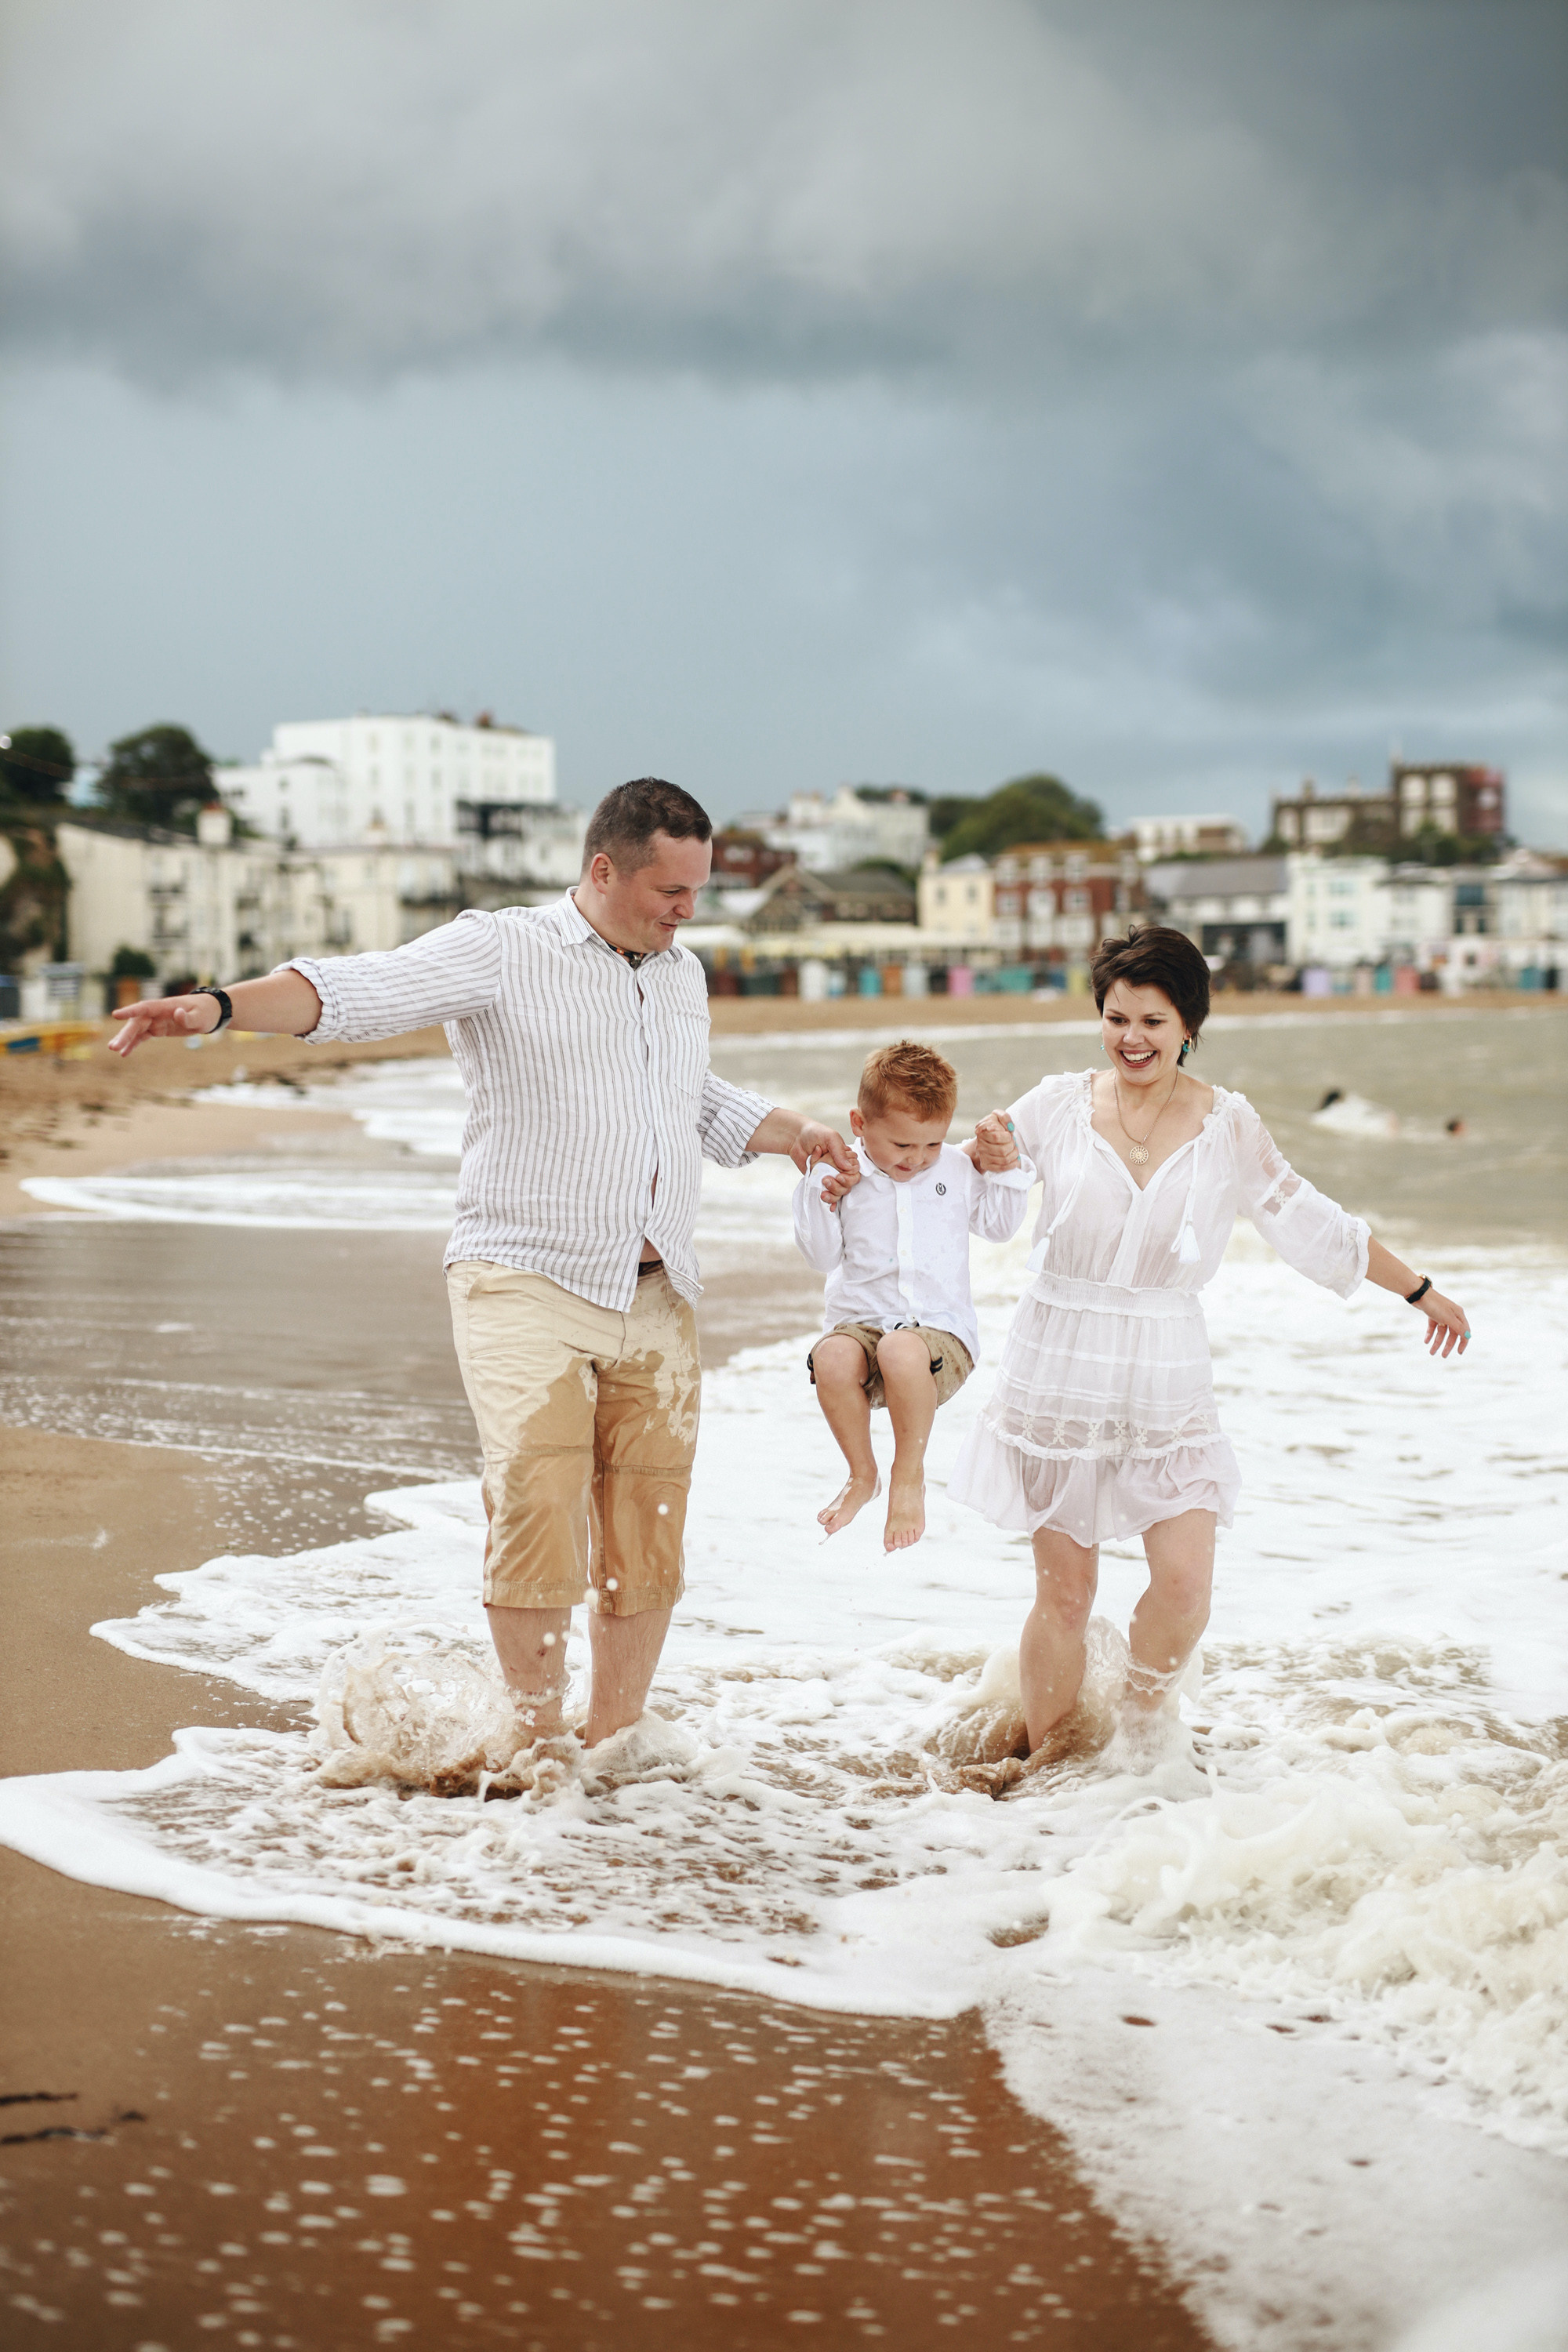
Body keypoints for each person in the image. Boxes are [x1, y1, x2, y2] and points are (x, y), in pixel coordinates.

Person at [110, 778, 855, 1756]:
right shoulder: (501, 948)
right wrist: (215, 1008)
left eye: (698, 891)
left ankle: (614, 1747)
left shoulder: (679, 975)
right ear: (603, 869)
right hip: (523, 1278)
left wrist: (791, 1130)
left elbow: (689, 1095)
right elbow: (360, 988)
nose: (689, 910)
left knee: (650, 1529)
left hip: (658, 1291)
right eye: (671, 891)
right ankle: (536, 1749)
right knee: (537, 1507)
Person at [947, 925, 1471, 1759]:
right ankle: (1045, 1770)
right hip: (1060, 1359)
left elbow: (1307, 1220)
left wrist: (1416, 1290)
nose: (1130, 1039)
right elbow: (963, 1186)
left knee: (1186, 1582)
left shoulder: (1227, 1123)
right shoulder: (1052, 1104)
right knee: (1066, 1593)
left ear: (1187, 1024)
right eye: (1115, 1018)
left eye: (1151, 1022)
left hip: (1165, 1369)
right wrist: (956, 1161)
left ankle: (1139, 1730)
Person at [792, 1040, 1035, 1552]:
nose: (918, 1159)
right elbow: (820, 1258)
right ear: (859, 1125)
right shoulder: (846, 1173)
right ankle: (863, 1474)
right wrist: (822, 1190)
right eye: (903, 1146)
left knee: (900, 1348)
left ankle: (909, 1475)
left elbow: (998, 1227)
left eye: (931, 1145)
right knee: (831, 1356)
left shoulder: (953, 1168)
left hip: (938, 1340)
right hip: (861, 1331)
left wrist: (1008, 1168)